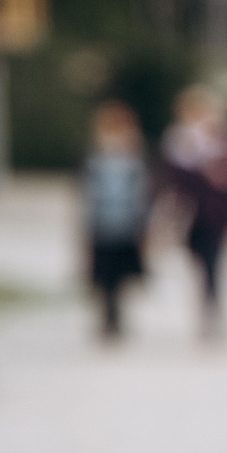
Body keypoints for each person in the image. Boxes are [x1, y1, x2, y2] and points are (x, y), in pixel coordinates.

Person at [159, 86, 227, 339]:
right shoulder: (178, 141)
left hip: (218, 214)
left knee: (214, 260)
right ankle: (208, 301)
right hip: (191, 214)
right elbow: (172, 179)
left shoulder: (224, 136)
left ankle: (211, 305)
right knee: (198, 258)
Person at [81, 101, 151, 342]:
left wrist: (143, 226)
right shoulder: (95, 162)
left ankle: (116, 315)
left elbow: (142, 197)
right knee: (103, 275)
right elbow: (87, 197)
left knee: (121, 275)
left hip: (126, 226)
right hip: (102, 225)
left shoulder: (134, 163)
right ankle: (107, 316)